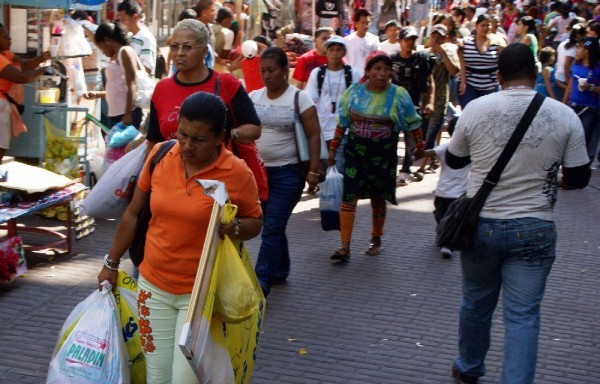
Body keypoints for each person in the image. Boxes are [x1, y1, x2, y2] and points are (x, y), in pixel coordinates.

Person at [447, 43, 591, 384]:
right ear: (533, 73)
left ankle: (468, 367)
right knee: (523, 316)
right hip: (535, 226)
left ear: (498, 75)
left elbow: (455, 160)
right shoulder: (564, 115)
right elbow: (580, 177)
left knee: (476, 303)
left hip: (480, 225)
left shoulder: (476, 109)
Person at [97, 92, 263, 383]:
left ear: (219, 138)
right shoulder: (161, 155)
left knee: (183, 379)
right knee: (157, 377)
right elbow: (133, 214)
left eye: (198, 140)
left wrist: (232, 227)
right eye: (182, 134)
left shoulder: (237, 172)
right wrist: (111, 263)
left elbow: (255, 222)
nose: (187, 145)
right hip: (152, 288)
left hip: (200, 296)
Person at [327, 51, 423, 263]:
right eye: (377, 69)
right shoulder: (354, 92)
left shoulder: (399, 95)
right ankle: (345, 246)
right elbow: (342, 122)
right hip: (356, 153)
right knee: (349, 197)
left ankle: (376, 239)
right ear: (368, 71)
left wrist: (420, 147)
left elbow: (413, 122)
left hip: (383, 155)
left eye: (387, 69)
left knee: (378, 198)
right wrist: (333, 150)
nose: (382, 73)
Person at [249, 47, 322, 297]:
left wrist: (313, 171)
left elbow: (314, 134)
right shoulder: (254, 97)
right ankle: (281, 268)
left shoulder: (299, 98)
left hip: (288, 174)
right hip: (258, 175)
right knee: (274, 224)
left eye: (271, 70)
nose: (266, 76)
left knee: (272, 226)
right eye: (262, 71)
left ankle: (261, 281)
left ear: (284, 71)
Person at [145, 19, 260, 154]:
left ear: (204, 51)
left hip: (218, 172)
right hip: (172, 172)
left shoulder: (226, 83)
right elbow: (153, 142)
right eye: (174, 46)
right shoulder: (162, 88)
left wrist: (228, 134)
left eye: (188, 47)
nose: (179, 53)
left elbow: (255, 129)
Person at [304, 35, 360, 167]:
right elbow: (309, 102)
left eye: (338, 49)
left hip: (344, 131)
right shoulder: (317, 73)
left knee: (339, 167)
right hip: (322, 131)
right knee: (323, 170)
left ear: (344, 52)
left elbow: (357, 102)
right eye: (332, 49)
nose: (335, 53)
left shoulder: (353, 73)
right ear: (327, 52)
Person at [390, 26, 435, 186]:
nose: (410, 43)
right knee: (391, 142)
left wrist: (429, 102)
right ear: (400, 41)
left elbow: (430, 82)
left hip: (414, 107)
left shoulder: (421, 60)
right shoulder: (391, 60)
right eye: (407, 39)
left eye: (413, 40)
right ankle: (390, 171)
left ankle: (405, 171)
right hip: (394, 108)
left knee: (411, 143)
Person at [0, 24, 50, 163]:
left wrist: (42, 57)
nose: (10, 39)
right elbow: (21, 77)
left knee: (3, 146)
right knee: (1, 146)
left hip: (5, 104)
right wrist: (45, 70)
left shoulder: (6, 54)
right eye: (5, 36)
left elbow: (25, 66)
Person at [84, 22, 143, 129]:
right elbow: (118, 89)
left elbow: (132, 84)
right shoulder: (115, 56)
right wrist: (98, 94)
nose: (102, 51)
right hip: (115, 115)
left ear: (107, 41)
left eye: (101, 47)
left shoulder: (124, 52)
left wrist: (128, 114)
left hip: (125, 115)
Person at [415, 143, 469, 259]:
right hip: (442, 191)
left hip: (458, 193)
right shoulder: (448, 146)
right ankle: (442, 233)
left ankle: (447, 244)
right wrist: (422, 153)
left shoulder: (472, 148)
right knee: (439, 215)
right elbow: (434, 152)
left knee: (451, 220)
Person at [420, 24, 460, 173]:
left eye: (440, 36)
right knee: (424, 133)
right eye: (434, 35)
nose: (436, 39)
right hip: (424, 101)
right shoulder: (424, 53)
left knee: (431, 133)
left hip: (440, 99)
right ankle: (434, 158)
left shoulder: (448, 52)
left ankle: (422, 167)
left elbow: (454, 70)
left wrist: (442, 52)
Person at [563, 37, 600, 164]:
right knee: (568, 136)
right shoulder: (575, 66)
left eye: (579, 47)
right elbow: (570, 84)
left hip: (589, 109)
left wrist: (590, 87)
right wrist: (564, 103)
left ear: (587, 51)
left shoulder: (598, 69)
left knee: (582, 139)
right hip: (572, 105)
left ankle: (579, 166)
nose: (576, 51)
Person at [458, 14, 505, 109]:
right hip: (469, 84)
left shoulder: (497, 43)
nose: (485, 28)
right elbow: (462, 63)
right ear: (476, 26)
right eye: (483, 25)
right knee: (470, 114)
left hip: (490, 85)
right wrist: (463, 82)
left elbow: (504, 62)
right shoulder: (466, 42)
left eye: (488, 25)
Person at [117, 0, 157, 76]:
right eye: (120, 20)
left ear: (135, 17)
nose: (121, 23)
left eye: (124, 19)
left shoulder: (146, 38)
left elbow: (147, 70)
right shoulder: (129, 36)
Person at [555, 23, 587, 101]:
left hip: (558, 76)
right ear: (581, 35)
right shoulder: (572, 48)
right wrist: (568, 81)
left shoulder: (562, 44)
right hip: (563, 80)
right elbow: (567, 66)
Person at [344, 8, 379, 78]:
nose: (366, 26)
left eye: (367, 22)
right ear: (356, 24)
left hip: (369, 79)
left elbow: (377, 60)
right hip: (352, 79)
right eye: (363, 22)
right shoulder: (347, 40)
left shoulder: (374, 40)